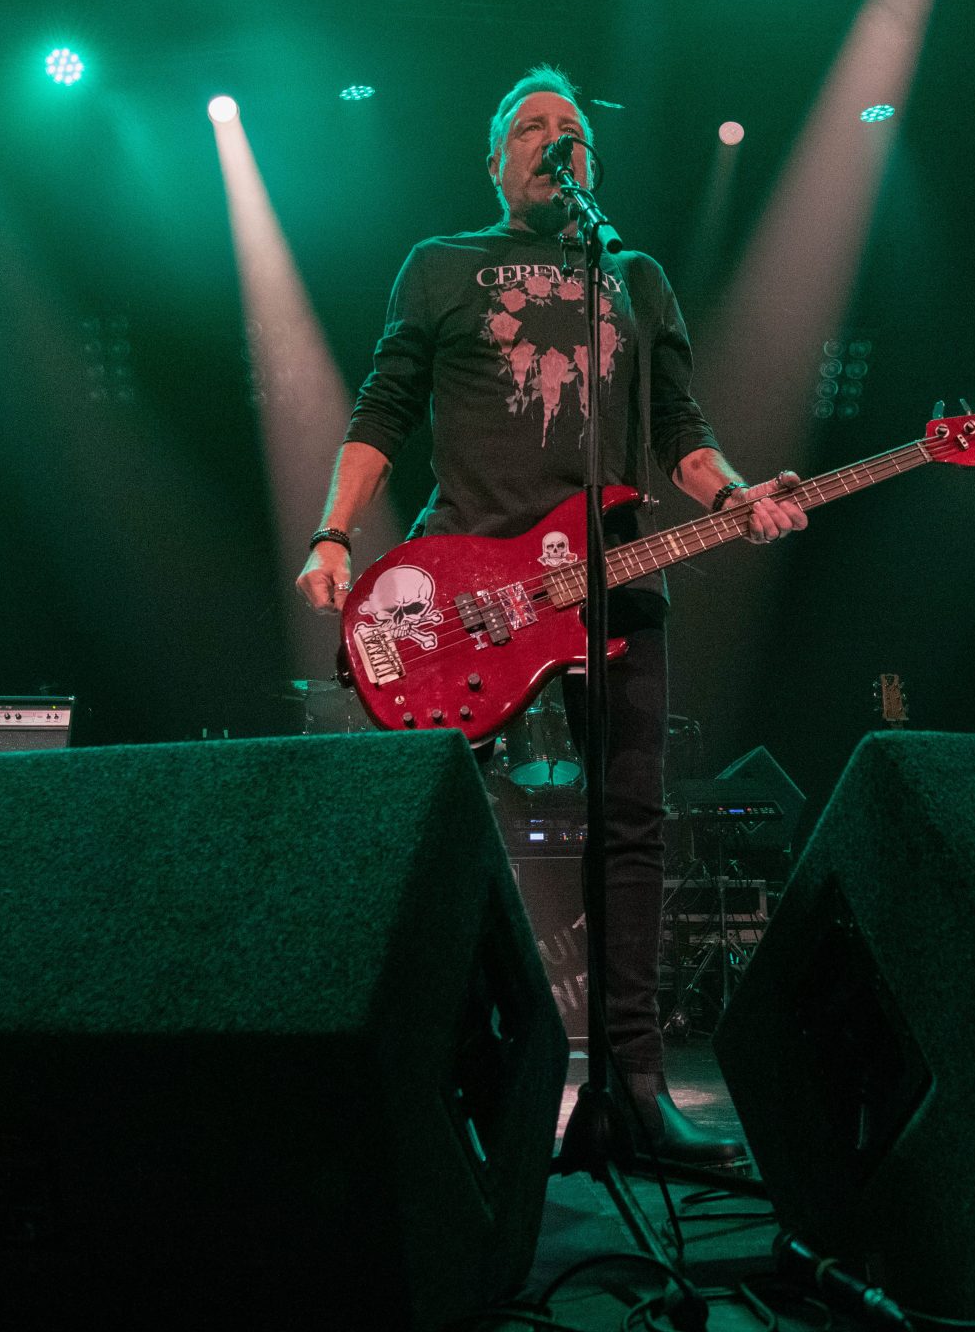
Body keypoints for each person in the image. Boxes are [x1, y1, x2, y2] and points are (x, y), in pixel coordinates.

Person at [294, 67, 806, 1164]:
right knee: (431, 828)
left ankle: (634, 1094)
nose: (551, 139)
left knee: (631, 828)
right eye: (528, 127)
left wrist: (736, 496)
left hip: (613, 576)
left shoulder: (635, 276)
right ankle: (445, 1076)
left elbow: (678, 428)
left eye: (569, 130)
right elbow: (383, 407)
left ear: (591, 168)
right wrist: (334, 532)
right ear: (494, 161)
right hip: (461, 580)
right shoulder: (441, 264)